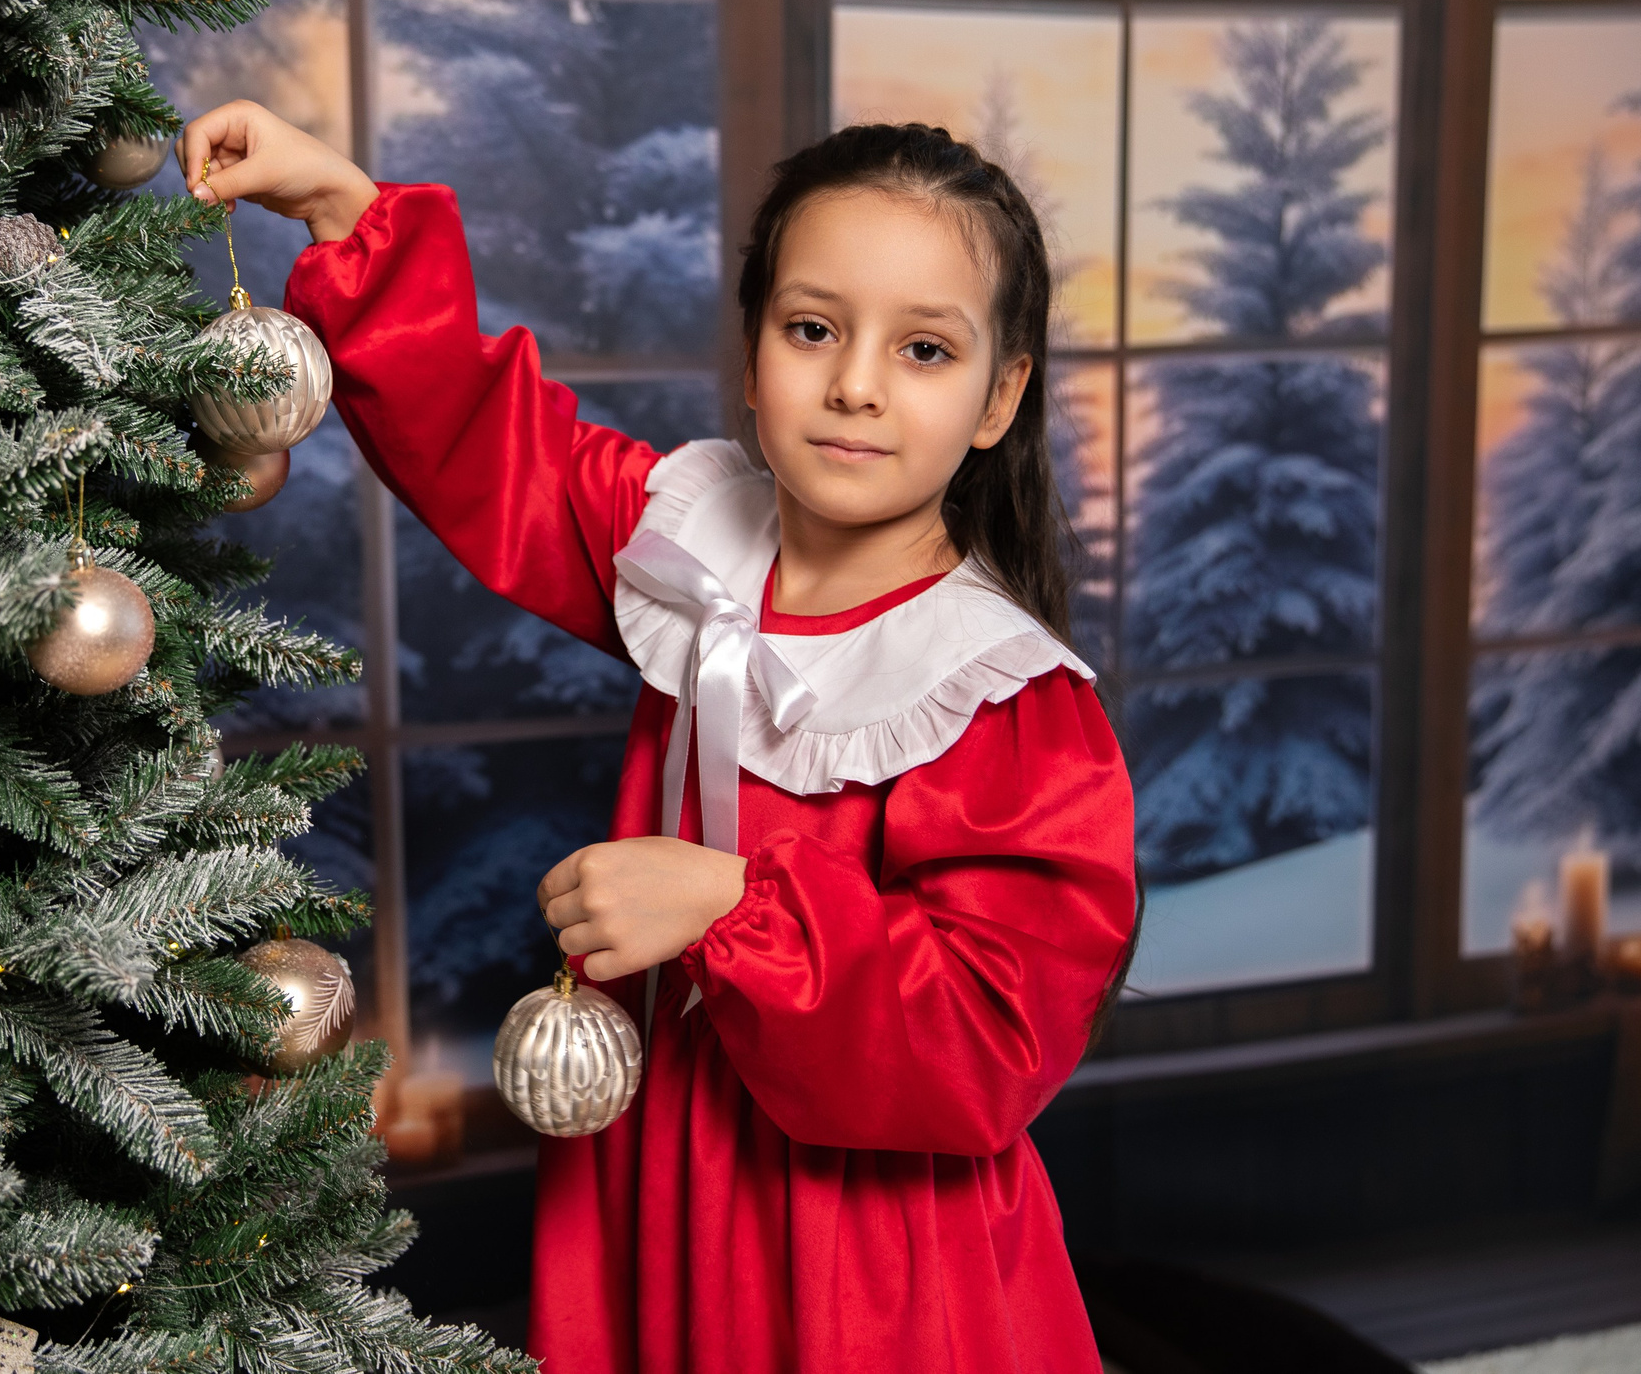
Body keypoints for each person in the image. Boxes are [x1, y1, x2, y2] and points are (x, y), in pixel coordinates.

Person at [179, 103, 1139, 1374]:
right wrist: (345, 216)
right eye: (813, 330)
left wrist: (735, 908)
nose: (853, 383)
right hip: (661, 1166)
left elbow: (982, 1041)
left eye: (921, 349)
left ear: (996, 396)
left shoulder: (1004, 698)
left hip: (869, 1258)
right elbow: (491, 442)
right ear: (752, 357)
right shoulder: (690, 542)